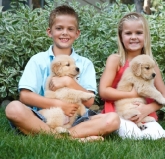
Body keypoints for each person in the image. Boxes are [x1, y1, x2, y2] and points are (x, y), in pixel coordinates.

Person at [5, 5, 120, 141]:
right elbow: (25, 96)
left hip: (77, 118)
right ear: (49, 32)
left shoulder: (85, 63)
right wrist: (60, 105)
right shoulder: (38, 60)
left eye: (70, 29)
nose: (64, 32)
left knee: (113, 119)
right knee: (13, 108)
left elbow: (89, 101)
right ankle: (69, 137)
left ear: (77, 33)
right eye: (59, 28)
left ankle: (53, 135)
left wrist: (69, 82)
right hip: (44, 117)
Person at [99, 12, 165, 140]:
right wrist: (132, 94)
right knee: (132, 135)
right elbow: (104, 91)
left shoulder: (151, 64)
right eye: (128, 33)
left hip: (143, 113)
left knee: (159, 135)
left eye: (139, 33)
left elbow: (163, 96)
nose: (133, 37)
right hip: (118, 113)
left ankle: (145, 127)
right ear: (121, 36)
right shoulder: (116, 60)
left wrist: (146, 109)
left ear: (146, 36)